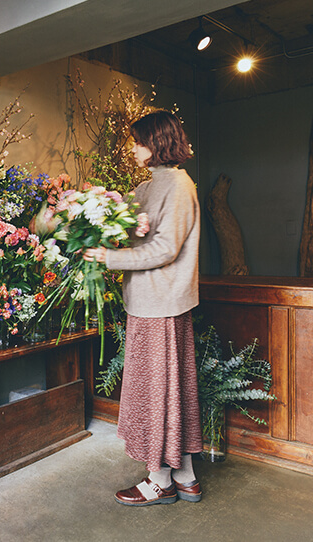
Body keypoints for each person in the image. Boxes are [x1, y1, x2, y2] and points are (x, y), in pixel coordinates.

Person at [83, 110, 202, 506]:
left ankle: (159, 480)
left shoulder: (179, 186)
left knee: (158, 392)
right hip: (151, 302)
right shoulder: (148, 186)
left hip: (161, 305)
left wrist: (109, 257)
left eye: (138, 142)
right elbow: (135, 230)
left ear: (156, 143)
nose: (133, 149)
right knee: (169, 389)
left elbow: (166, 249)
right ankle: (183, 474)